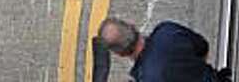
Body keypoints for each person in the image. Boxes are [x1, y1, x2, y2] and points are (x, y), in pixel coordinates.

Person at [94, 17, 231, 81]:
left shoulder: (146, 78)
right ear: (132, 25)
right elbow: (203, 47)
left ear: (120, 53)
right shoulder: (167, 31)